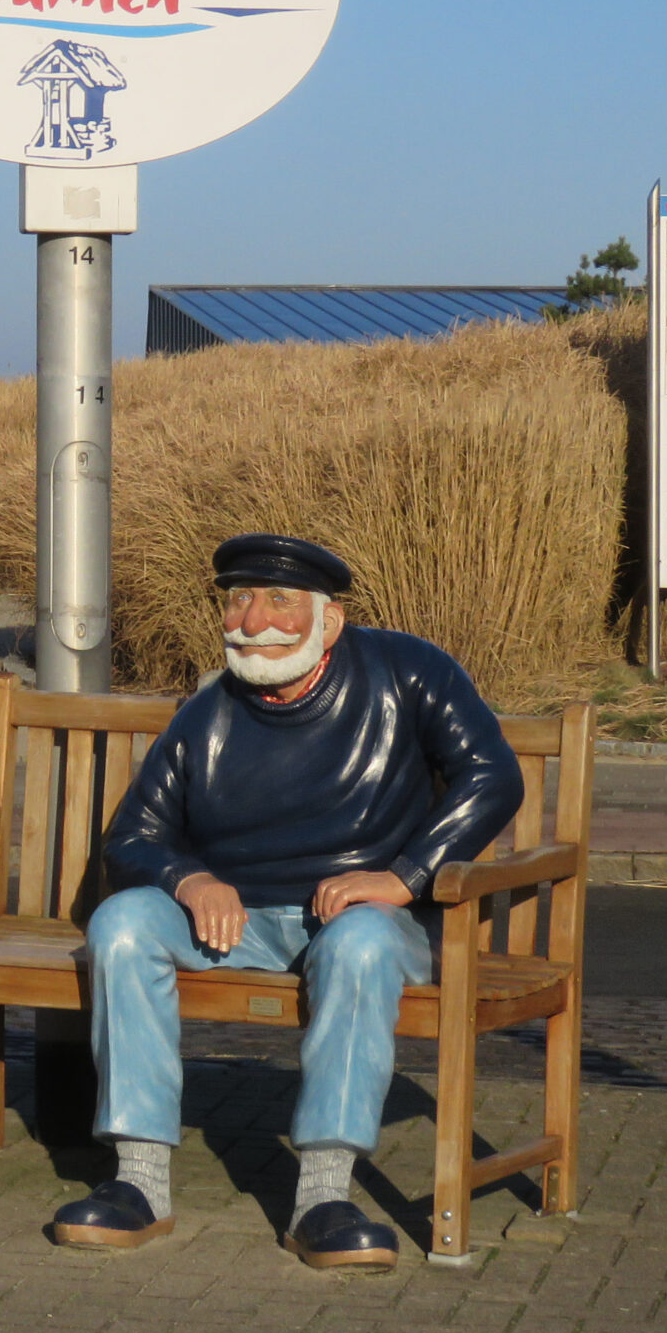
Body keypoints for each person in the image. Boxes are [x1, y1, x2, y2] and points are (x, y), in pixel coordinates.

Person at [48, 533, 522, 1270]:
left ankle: (324, 1198)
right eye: (238, 598)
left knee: (360, 945)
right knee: (118, 924)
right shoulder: (206, 714)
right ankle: (137, 1182)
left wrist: (405, 876)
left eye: (277, 601)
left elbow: (491, 774)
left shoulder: (409, 670)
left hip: (371, 921)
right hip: (236, 922)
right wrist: (190, 881)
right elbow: (134, 836)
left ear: (328, 621)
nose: (251, 619)